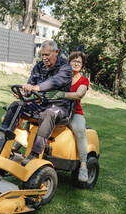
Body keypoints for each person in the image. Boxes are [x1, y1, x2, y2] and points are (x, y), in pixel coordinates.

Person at [1, 40, 72, 166]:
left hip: (59, 106)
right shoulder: (38, 67)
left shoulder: (65, 68)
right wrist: (24, 93)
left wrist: (36, 88)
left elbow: (54, 82)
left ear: (56, 52)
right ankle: (1, 140)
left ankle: (34, 154)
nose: (44, 58)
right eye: (42, 55)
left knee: (49, 113)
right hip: (40, 104)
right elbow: (30, 85)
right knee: (15, 106)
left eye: (47, 55)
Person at [51, 51, 90, 182]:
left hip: (74, 112)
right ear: (69, 62)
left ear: (82, 65)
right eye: (74, 60)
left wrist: (62, 94)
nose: (76, 63)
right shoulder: (62, 76)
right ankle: (18, 148)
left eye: (79, 62)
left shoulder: (84, 80)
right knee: (38, 120)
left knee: (80, 131)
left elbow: (79, 94)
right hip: (59, 108)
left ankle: (84, 165)